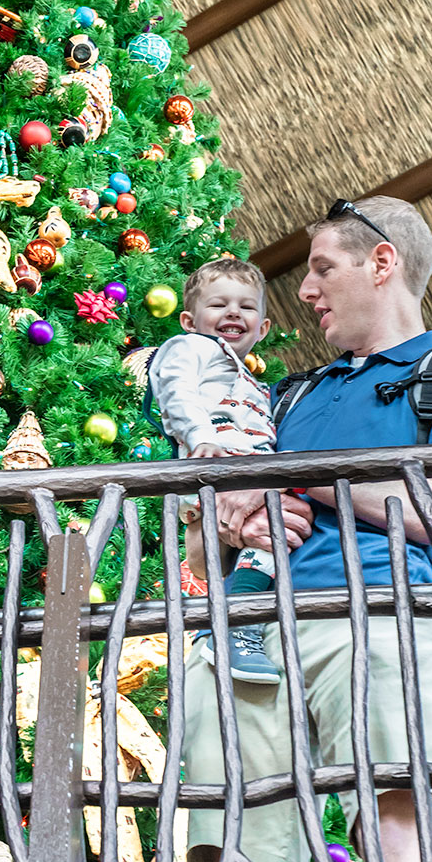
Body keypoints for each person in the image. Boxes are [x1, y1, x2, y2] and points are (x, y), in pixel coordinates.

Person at [182, 194, 432, 862]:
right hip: (245, 630)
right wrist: (236, 519)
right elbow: (208, 544)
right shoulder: (285, 395)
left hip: (385, 618)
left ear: (382, 263)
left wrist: (306, 476)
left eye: (323, 268)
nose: (304, 291)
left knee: (398, 822)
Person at [148, 256, 280, 682]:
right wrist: (201, 435)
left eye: (246, 307)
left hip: (246, 472)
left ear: (262, 328)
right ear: (189, 320)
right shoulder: (193, 348)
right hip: (216, 464)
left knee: (273, 537)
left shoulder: (253, 382)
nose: (233, 313)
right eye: (219, 304)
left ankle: (227, 620)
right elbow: (176, 388)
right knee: (276, 528)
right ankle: (237, 625)